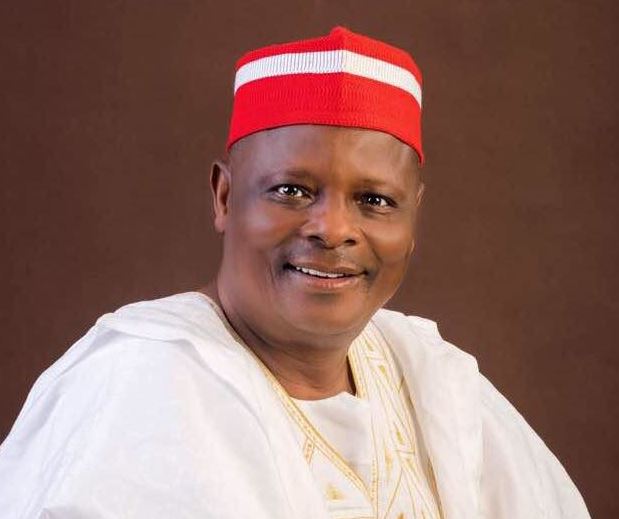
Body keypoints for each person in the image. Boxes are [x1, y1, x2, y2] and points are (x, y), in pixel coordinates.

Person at [0, 27, 590, 519]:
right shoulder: (140, 384)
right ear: (224, 196)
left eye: (375, 200)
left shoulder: (431, 378)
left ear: (413, 218)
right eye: (291, 190)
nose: (333, 229)